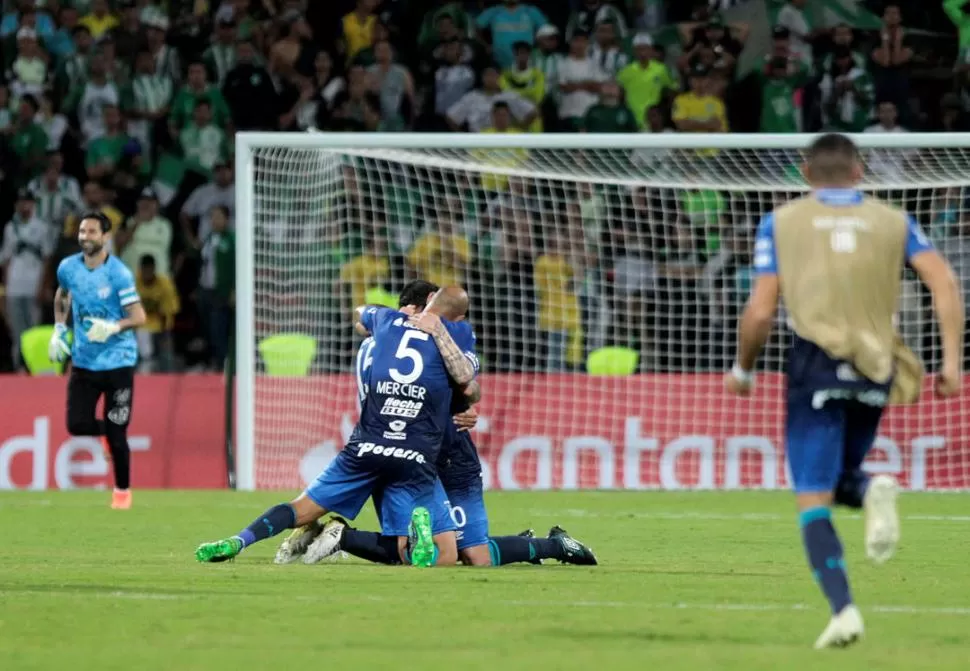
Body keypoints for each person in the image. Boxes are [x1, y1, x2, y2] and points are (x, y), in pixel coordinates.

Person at [725, 134, 964, 648]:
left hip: (816, 363)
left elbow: (762, 308)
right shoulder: (894, 220)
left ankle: (843, 610)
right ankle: (871, 488)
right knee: (838, 480)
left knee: (813, 495)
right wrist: (949, 362)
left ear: (805, 172)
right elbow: (944, 282)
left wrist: (743, 368)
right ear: (860, 173)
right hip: (878, 367)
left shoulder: (782, 220)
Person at [276, 281, 597, 567]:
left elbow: (466, 387)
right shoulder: (391, 343)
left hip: (446, 456)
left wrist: (465, 404)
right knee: (423, 551)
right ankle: (341, 537)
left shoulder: (425, 343)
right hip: (409, 454)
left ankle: (548, 545)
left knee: (472, 555)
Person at [195, 286, 480, 567]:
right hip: (415, 453)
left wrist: (377, 318)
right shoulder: (456, 333)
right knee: (444, 556)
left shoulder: (384, 321)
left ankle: (239, 541)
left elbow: (360, 313)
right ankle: (398, 538)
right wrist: (443, 336)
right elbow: (468, 384)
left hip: (366, 445)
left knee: (301, 509)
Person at [50, 211, 147, 509]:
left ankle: (122, 493)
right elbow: (62, 295)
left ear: (105, 237)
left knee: (118, 434)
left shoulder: (118, 273)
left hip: (118, 361)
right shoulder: (68, 267)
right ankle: (105, 431)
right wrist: (58, 328)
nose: (85, 237)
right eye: (82, 231)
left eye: (91, 232)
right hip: (84, 361)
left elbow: (139, 316)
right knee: (76, 424)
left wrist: (114, 327)